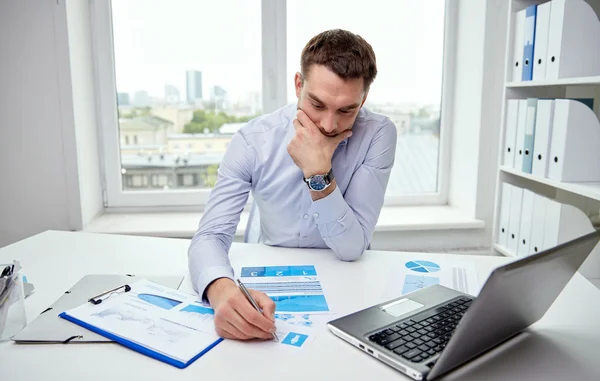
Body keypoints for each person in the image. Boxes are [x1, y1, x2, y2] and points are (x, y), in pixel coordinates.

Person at [188, 29, 397, 341]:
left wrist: (319, 173)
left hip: (344, 278)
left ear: (363, 99)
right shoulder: (252, 141)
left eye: (346, 110)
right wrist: (219, 290)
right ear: (299, 85)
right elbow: (210, 236)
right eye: (317, 104)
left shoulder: (378, 134)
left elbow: (352, 248)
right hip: (268, 267)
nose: (329, 125)